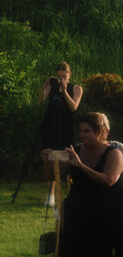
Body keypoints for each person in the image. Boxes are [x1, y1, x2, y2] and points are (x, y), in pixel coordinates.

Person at [60, 112, 123, 257]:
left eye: (87, 131)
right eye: (80, 131)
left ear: (101, 132)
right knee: (72, 210)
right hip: (79, 199)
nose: (82, 135)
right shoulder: (77, 150)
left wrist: (80, 165)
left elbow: (108, 180)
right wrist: (47, 160)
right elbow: (56, 176)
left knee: (98, 215)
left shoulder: (114, 153)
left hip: (105, 200)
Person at [38, 63, 82, 207]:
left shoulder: (76, 88)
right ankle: (51, 195)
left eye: (64, 76)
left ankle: (71, 192)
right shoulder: (53, 87)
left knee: (67, 158)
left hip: (66, 129)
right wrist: (45, 85)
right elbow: (40, 101)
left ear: (69, 75)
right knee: (51, 159)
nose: (61, 79)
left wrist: (64, 91)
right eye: (58, 77)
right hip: (52, 127)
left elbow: (74, 107)